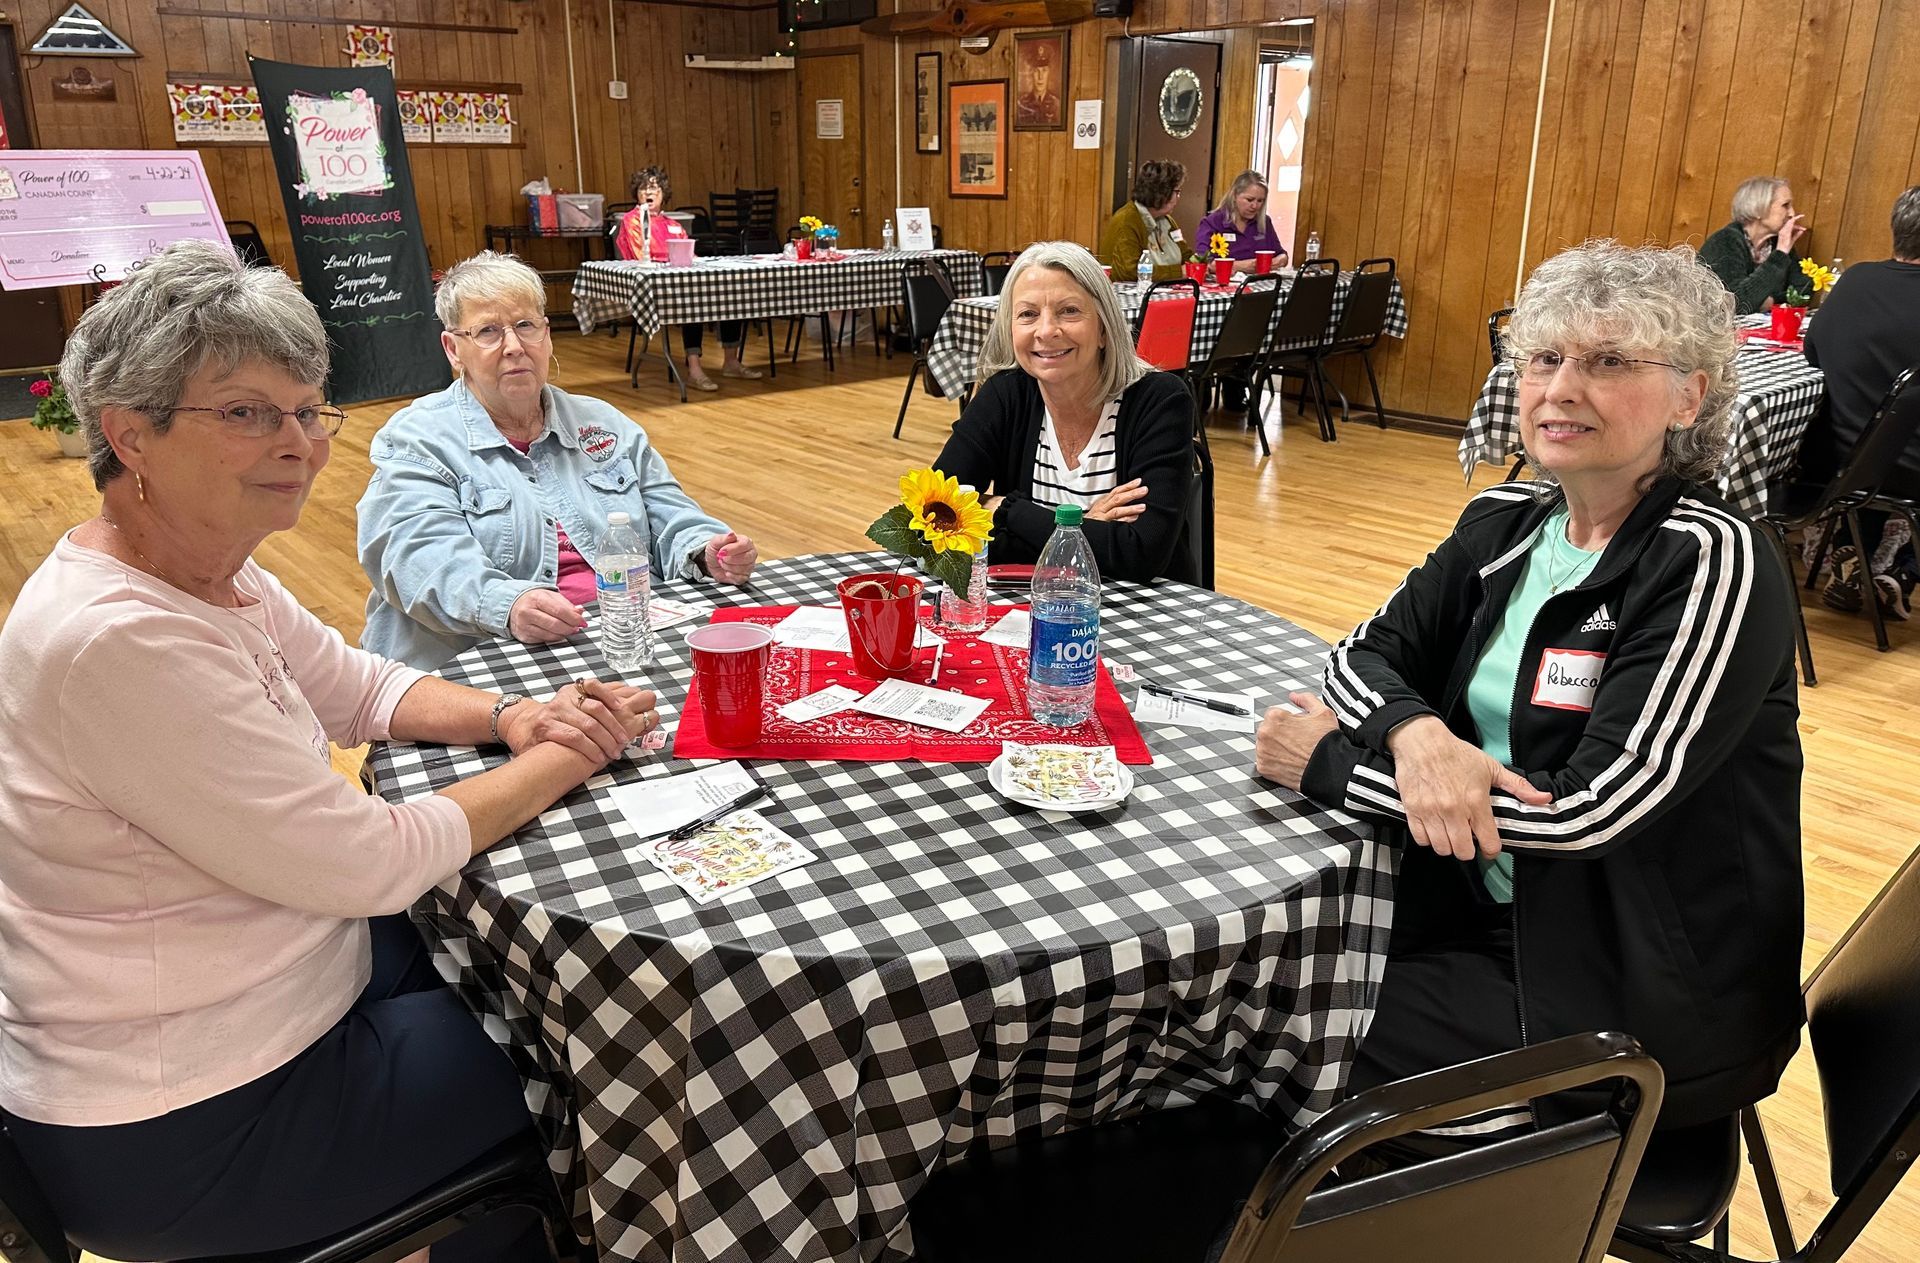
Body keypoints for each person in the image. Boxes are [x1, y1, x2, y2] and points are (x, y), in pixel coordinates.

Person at [0, 241, 659, 1260]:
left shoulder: (205, 568)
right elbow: (370, 860)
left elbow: (361, 687)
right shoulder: (117, 639)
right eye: (245, 413)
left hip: (274, 996)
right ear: (129, 435)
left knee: (526, 974)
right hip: (192, 1119)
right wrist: (574, 748)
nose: (297, 444)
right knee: (607, 1059)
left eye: (308, 410)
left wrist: (513, 719)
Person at [1254, 240, 1804, 1139]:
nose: (1561, 387)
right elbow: (1359, 657)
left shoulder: (1710, 559)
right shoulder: (1507, 521)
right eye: (1545, 358)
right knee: (1256, 966)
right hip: (1481, 908)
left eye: (1610, 361)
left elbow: (1587, 815)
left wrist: (1330, 766)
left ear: (1690, 396)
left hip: (1629, 987)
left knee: (1280, 1029)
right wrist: (1417, 738)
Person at [359, 251, 758, 671]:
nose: (514, 347)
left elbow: (671, 514)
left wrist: (705, 549)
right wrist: (507, 604)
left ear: (547, 337)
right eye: (489, 332)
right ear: (453, 349)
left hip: (624, 641)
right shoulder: (416, 439)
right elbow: (416, 558)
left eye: (525, 325)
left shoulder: (603, 423)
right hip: (480, 660)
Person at [933, 241, 1197, 583]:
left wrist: (1005, 510)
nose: (1046, 331)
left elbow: (1140, 556)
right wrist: (1080, 527)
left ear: (1103, 328)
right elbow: (933, 519)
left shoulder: (1160, 402)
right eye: (1028, 314)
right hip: (1031, 612)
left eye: (1069, 311)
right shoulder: (1005, 395)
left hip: (1145, 619)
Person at [1798, 185, 1920, 617]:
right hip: (1909, 469)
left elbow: (1813, 352)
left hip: (1843, 463)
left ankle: (1854, 556)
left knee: (1880, 439)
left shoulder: (1856, 280)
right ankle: (1901, 573)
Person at [614, 166, 762, 391]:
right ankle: (694, 369)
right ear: (637, 194)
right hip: (655, 288)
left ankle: (731, 361)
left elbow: (690, 255)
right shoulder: (632, 221)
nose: (649, 193)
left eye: (655, 188)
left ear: (664, 194)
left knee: (731, 293)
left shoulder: (673, 225)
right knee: (694, 302)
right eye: (644, 188)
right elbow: (638, 256)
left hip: (682, 281)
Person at [1697, 176, 1808, 315]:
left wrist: (1771, 301)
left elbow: (1803, 291)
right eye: (1785, 205)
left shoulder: (1776, 243)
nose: (1792, 213)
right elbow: (1738, 304)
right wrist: (1780, 254)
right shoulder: (1725, 241)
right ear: (1759, 208)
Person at [1096, 159, 1188, 283]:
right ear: (1162, 193)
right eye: (1177, 192)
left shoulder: (1168, 221)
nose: (1178, 198)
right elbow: (1129, 272)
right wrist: (1178, 272)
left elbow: (1186, 255)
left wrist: (1205, 264)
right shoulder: (1126, 221)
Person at [1195, 170, 1290, 275]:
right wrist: (1242, 266)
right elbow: (1203, 262)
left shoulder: (1264, 222)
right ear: (1235, 195)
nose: (1255, 206)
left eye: (1260, 201)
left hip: (1260, 285)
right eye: (1250, 200)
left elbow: (1281, 254)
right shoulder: (1212, 222)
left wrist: (1278, 261)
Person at [1016, 42, 1062, 129]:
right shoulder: (1021, 104)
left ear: (1049, 73)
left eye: (1044, 71)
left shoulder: (1057, 105)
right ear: (1031, 73)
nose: (1040, 77)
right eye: (1036, 71)